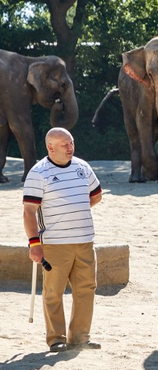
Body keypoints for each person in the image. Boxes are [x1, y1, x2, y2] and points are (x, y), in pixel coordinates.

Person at [24, 128, 103, 352]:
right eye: (65, 145)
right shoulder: (38, 173)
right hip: (54, 244)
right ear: (51, 148)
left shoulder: (82, 167)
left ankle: (80, 339)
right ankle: (56, 338)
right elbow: (29, 211)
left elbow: (96, 195)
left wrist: (74, 211)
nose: (71, 148)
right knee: (53, 292)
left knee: (86, 289)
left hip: (85, 241)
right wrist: (34, 244)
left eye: (72, 143)